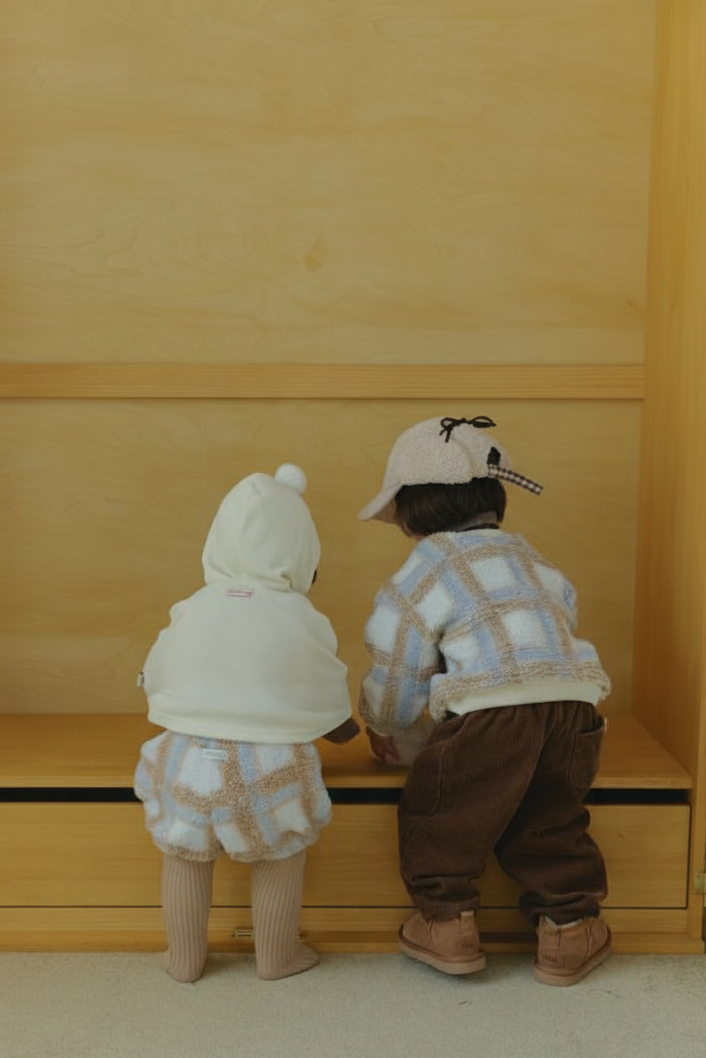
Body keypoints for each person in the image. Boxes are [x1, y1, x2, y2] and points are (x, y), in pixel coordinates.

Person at [358, 415, 612, 986]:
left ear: (408, 509)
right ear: (496, 495)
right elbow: (561, 621)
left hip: (492, 713)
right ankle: (568, 931)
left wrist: (387, 724)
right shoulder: (532, 558)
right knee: (551, 819)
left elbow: (399, 663)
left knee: (445, 812)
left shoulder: (426, 569)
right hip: (574, 705)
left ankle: (447, 925)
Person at [134, 463, 358, 983]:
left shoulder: (193, 606)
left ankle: (184, 960)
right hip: (269, 765)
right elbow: (322, 684)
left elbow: (159, 670)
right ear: (304, 554)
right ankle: (276, 956)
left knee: (183, 853)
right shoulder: (300, 614)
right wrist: (344, 729)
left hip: (188, 759)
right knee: (280, 854)